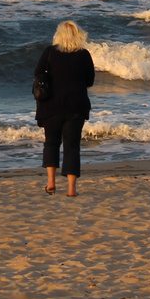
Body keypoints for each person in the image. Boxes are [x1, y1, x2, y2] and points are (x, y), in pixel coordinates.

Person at [34, 20, 96, 196]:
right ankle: (71, 189)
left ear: (58, 35)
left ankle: (51, 183)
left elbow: (37, 73)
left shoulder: (49, 52)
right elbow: (90, 81)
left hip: (51, 105)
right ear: (78, 35)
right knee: (72, 146)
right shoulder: (84, 55)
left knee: (51, 142)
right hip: (76, 105)